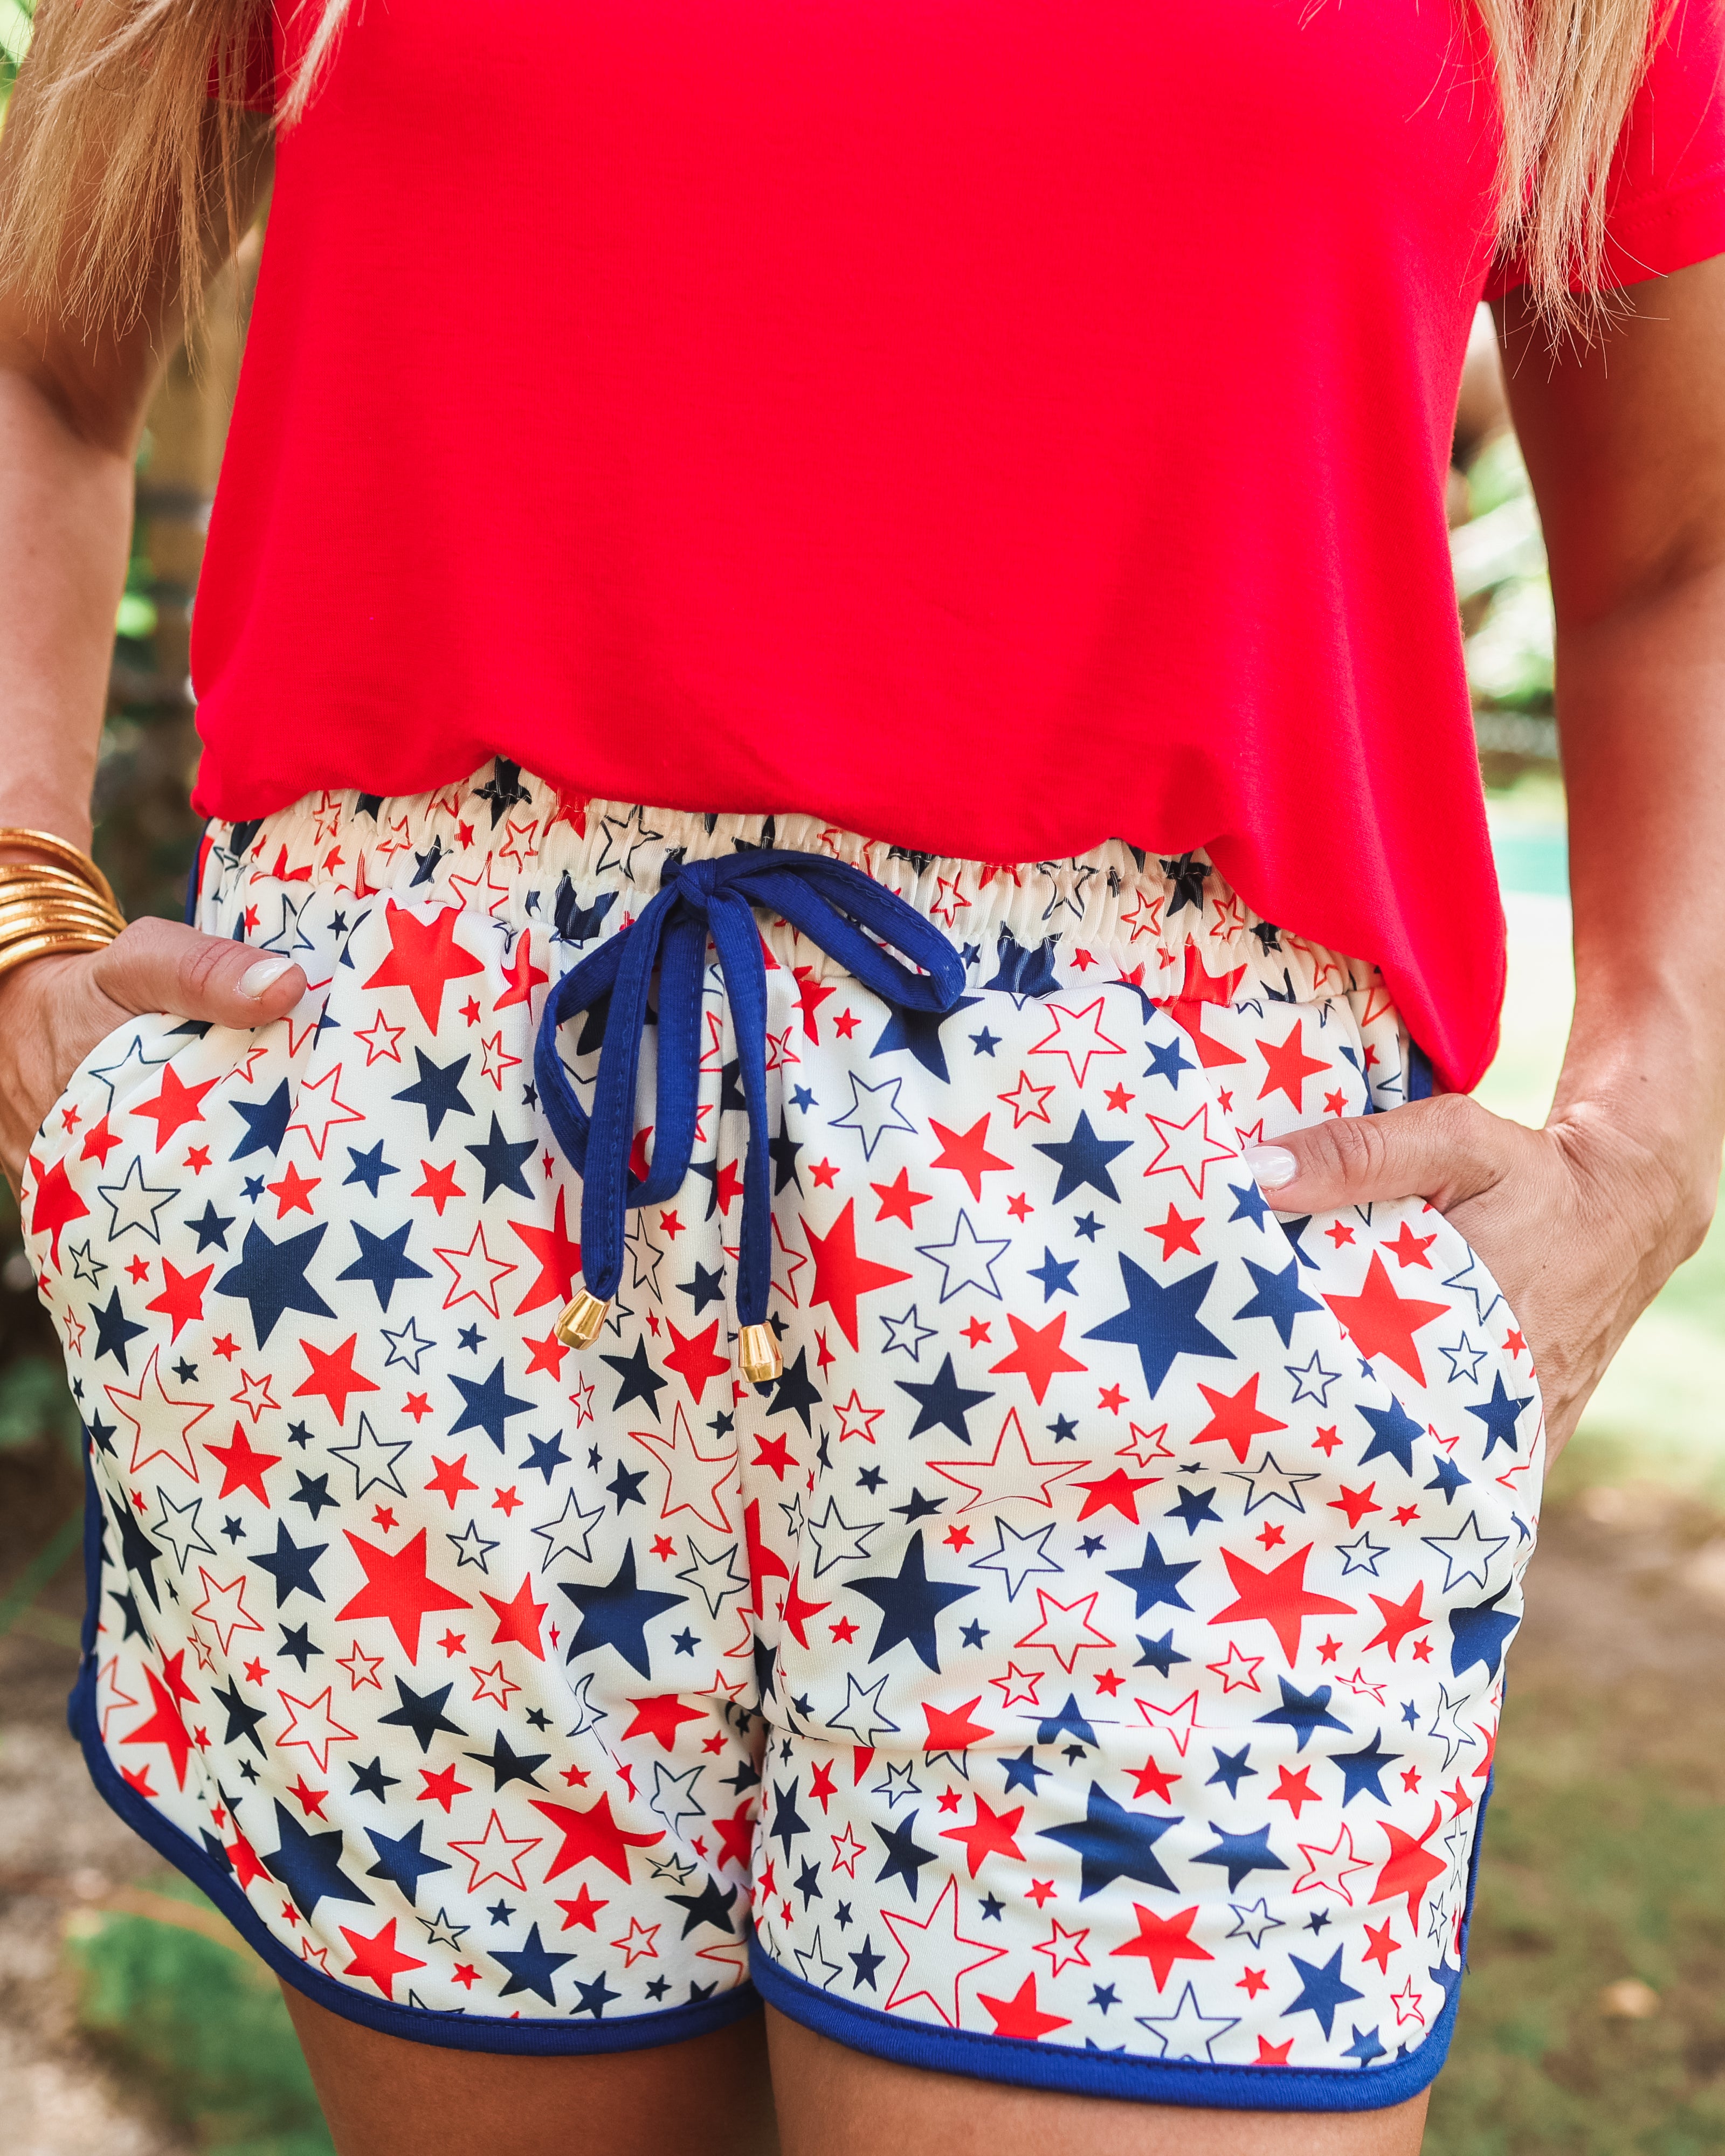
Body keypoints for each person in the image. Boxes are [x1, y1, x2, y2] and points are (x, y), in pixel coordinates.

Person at [1, 1, 1723, 2150]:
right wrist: (16, 900)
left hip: (1178, 1231)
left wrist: (1652, 1132)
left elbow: (1677, 546)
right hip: (423, 1204)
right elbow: (42, 347)